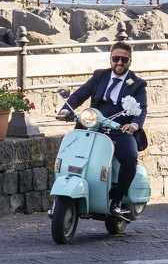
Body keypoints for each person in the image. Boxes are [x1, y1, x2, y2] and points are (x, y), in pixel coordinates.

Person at [57, 41, 148, 219]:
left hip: (120, 129)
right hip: (93, 125)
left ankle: (117, 201)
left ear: (130, 61)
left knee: (130, 156)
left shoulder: (137, 84)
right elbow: (81, 93)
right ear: (110, 59)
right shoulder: (100, 76)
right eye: (116, 58)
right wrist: (66, 108)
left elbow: (142, 108)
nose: (119, 63)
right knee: (72, 150)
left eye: (124, 59)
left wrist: (134, 125)